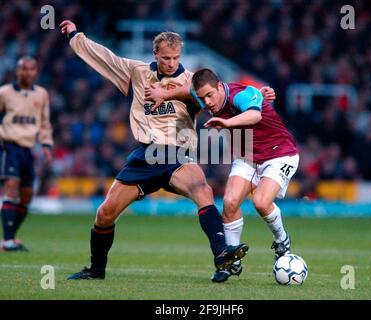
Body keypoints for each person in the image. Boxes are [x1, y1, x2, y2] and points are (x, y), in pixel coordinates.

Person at [59, 20, 249, 281]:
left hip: (176, 154)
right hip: (145, 155)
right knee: (104, 214)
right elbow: (104, 57)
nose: (171, 63)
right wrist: (74, 36)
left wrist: (253, 100)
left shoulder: (190, 82)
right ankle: (96, 270)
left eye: (176, 58)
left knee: (203, 191)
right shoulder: (137, 72)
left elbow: (220, 96)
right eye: (166, 58)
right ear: (155, 55)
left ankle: (221, 257)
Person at [190, 68, 299, 282]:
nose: (207, 102)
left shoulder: (240, 94)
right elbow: (184, 90)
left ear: (220, 86)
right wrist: (162, 95)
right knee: (229, 202)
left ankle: (281, 239)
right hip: (247, 157)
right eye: (202, 98)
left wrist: (228, 122)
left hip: (279, 153)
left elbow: (255, 114)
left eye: (210, 95)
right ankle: (231, 260)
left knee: (260, 201)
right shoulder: (211, 97)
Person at [0, 56, 53, 251]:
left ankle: (10, 239)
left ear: (36, 72)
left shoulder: (41, 94)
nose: (28, 72)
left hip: (28, 149)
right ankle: (7, 240)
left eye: (32, 69)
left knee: (27, 196)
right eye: (25, 69)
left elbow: (45, 123)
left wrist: (46, 146)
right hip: (9, 146)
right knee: (11, 185)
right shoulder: (4, 93)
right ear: (17, 71)